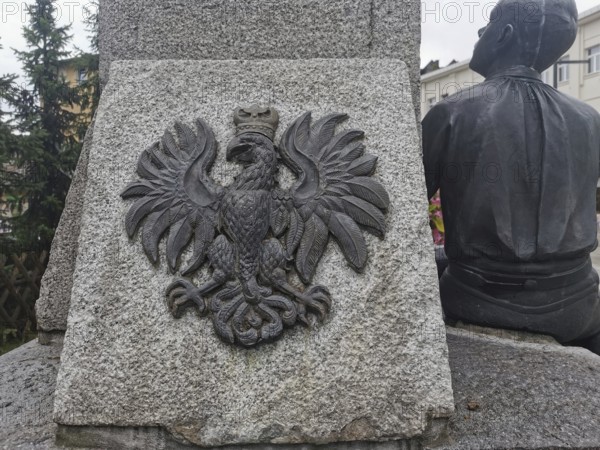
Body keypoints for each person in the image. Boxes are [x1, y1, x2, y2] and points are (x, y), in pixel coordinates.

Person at [422, 0, 600, 354]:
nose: (479, 32)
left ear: (504, 35)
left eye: (487, 24)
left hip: (480, 298)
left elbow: (403, 223)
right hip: (577, 303)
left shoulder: (451, 113)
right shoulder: (590, 119)